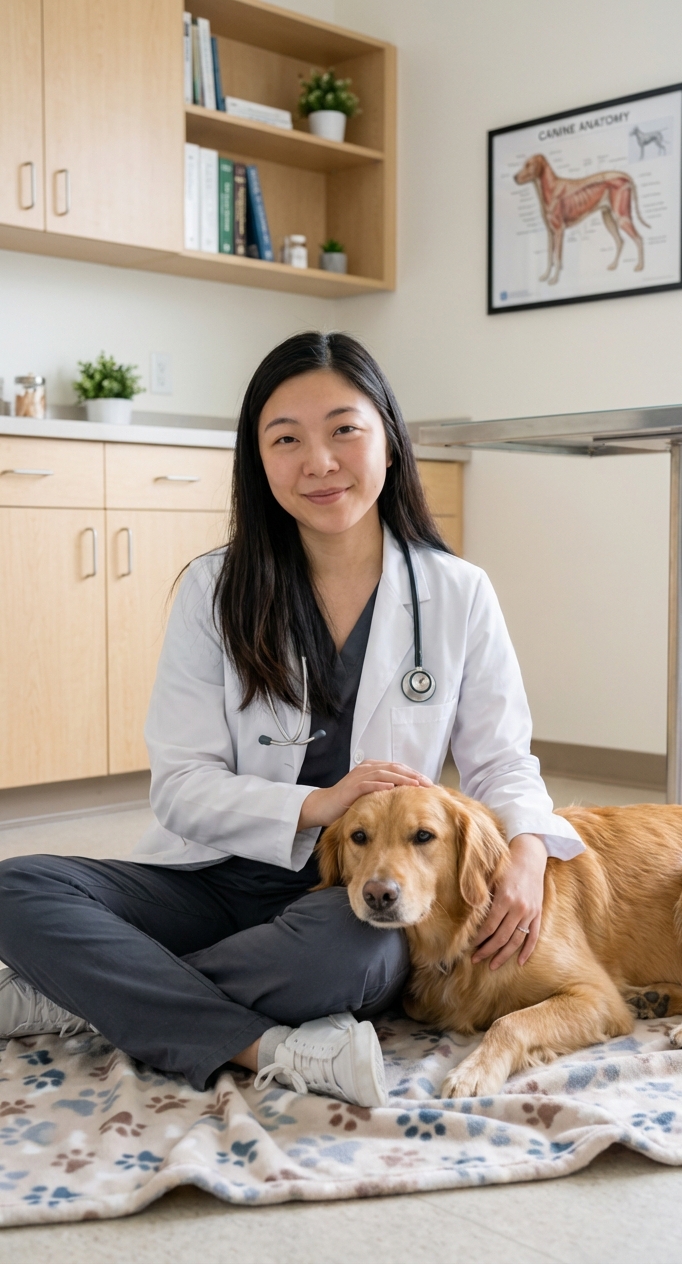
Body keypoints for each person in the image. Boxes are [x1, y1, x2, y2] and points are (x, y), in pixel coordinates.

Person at [0, 332, 584, 1107]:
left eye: (345, 429)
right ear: (258, 458)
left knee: (358, 962)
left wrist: (529, 850)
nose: (320, 461)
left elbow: (502, 762)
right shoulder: (214, 590)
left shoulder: (459, 592)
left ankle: (86, 991)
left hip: (344, 896)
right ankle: (261, 1042)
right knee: (18, 888)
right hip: (210, 875)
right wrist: (315, 805)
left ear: (388, 439)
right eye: (286, 439)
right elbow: (180, 785)